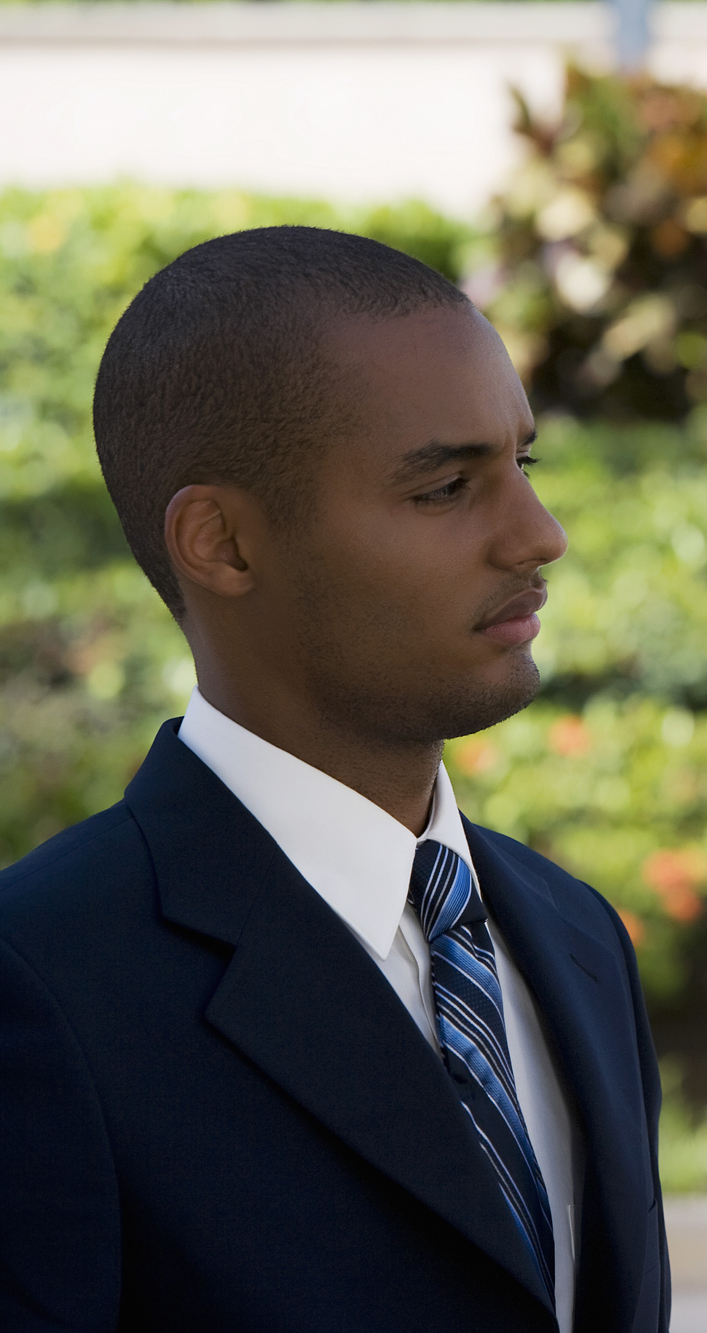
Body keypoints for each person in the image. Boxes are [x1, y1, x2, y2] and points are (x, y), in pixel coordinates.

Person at [0, 228, 669, 1331]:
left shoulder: (576, 935)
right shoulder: (41, 987)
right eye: (447, 487)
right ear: (221, 543)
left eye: (523, 464)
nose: (538, 535)